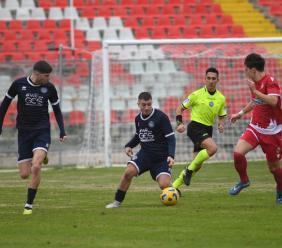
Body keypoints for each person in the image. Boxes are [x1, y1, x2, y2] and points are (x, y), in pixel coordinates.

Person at [0, 60, 67, 214]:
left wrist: (62, 130)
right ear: (37, 74)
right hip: (24, 132)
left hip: (42, 130)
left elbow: (56, 110)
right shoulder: (18, 84)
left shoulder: (49, 88)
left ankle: (28, 205)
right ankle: (41, 155)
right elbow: (4, 105)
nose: (49, 78)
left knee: (36, 166)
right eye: (46, 75)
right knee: (24, 174)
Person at [105, 92, 176, 208]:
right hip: (145, 155)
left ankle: (170, 186)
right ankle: (116, 202)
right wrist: (129, 146)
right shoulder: (138, 118)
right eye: (143, 105)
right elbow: (139, 136)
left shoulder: (161, 117)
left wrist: (171, 155)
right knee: (128, 173)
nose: (146, 107)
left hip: (161, 158)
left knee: (164, 185)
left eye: (149, 104)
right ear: (138, 104)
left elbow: (171, 138)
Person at [229, 53, 282, 204]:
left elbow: (273, 101)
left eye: (246, 69)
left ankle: (280, 190)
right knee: (238, 153)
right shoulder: (255, 83)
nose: (245, 72)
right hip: (255, 129)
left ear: (253, 70)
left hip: (272, 133)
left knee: (274, 168)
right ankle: (244, 181)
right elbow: (255, 102)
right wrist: (240, 113)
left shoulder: (270, 81)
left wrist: (255, 91)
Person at [173, 67, 227, 192]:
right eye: (208, 78)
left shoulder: (221, 98)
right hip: (195, 127)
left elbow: (222, 114)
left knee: (197, 165)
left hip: (208, 130)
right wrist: (179, 123)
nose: (211, 81)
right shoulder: (196, 94)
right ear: (205, 79)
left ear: (218, 80)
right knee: (212, 148)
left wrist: (221, 124)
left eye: (213, 79)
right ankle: (188, 170)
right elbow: (179, 108)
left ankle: (173, 187)